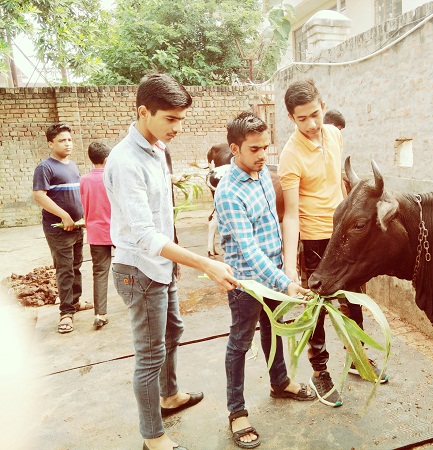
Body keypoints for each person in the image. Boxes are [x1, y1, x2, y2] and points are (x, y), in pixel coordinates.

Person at [104, 72, 239, 450]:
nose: (178, 127)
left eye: (182, 119)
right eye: (171, 119)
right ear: (144, 112)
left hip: (162, 265)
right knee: (149, 354)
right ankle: (153, 435)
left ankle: (170, 395)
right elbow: (145, 235)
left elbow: (162, 213)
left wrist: (177, 259)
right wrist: (205, 263)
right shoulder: (125, 161)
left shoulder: (157, 147)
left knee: (173, 331)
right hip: (139, 270)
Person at [278, 79, 388, 409]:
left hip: (345, 237)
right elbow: (291, 215)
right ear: (290, 118)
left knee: (354, 300)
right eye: (302, 118)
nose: (311, 124)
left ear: (323, 106)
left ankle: (357, 359)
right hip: (314, 240)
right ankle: (320, 370)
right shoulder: (290, 156)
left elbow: (340, 187)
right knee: (319, 309)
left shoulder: (335, 135)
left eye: (315, 114)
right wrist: (288, 268)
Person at [214, 111, 316, 449]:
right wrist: (286, 281)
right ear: (235, 148)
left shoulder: (261, 175)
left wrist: (289, 269)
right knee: (240, 343)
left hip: (273, 276)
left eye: (265, 148)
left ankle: (280, 381)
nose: (262, 156)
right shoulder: (229, 193)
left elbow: (276, 226)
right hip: (246, 283)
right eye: (254, 149)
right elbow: (249, 251)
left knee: (274, 327)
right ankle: (237, 411)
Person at [33, 123, 93, 335]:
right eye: (61, 140)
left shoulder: (72, 165)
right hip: (58, 228)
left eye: (69, 139)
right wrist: (64, 215)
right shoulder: (45, 167)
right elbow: (39, 195)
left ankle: (74, 302)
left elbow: (78, 195)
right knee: (64, 269)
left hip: (77, 226)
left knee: (76, 265)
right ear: (51, 143)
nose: (67, 143)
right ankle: (66, 313)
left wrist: (84, 215)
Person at [79, 142, 112, 329]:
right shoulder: (111, 177)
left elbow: (84, 203)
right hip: (117, 231)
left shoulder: (84, 180)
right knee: (133, 267)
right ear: (107, 160)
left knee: (100, 272)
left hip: (96, 232)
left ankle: (100, 313)